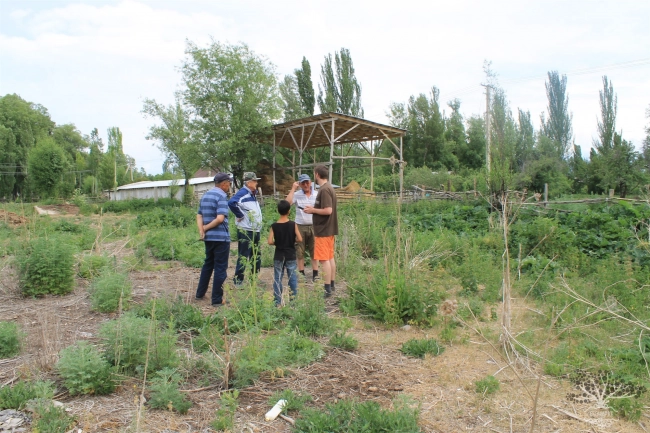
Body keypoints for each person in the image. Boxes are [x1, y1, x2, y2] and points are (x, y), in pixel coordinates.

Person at [195, 173, 232, 306]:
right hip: (221, 238)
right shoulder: (221, 196)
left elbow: (199, 215)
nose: (229, 186)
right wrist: (205, 227)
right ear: (224, 184)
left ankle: (200, 293)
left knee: (208, 264)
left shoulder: (205, 195)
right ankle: (217, 299)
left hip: (209, 238)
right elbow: (220, 218)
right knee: (220, 268)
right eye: (229, 183)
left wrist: (202, 229)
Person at [304, 165, 338, 297]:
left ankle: (327, 288)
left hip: (323, 230)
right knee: (329, 257)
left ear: (317, 174)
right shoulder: (329, 188)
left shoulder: (324, 190)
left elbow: (328, 210)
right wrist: (314, 209)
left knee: (324, 260)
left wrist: (312, 210)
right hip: (329, 229)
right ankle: (332, 284)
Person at [228, 172, 263, 286]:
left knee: (256, 255)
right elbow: (231, 202)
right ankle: (238, 280)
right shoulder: (243, 193)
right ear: (249, 182)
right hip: (246, 230)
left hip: (255, 229)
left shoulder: (252, 194)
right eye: (255, 181)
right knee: (244, 255)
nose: (256, 183)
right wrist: (240, 215)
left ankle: (254, 278)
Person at [268, 200, 303, 306]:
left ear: (278, 211)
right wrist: (292, 240)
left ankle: (277, 302)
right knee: (292, 278)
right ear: (289, 211)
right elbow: (300, 239)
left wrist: (277, 243)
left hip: (279, 255)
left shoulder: (274, 226)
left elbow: (269, 241)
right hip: (290, 254)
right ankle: (293, 302)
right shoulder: (293, 224)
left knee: (278, 278)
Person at [285, 173, 319, 282]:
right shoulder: (297, 194)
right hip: (299, 226)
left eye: (307, 182)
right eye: (303, 183)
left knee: (314, 251)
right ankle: (301, 273)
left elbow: (322, 208)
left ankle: (315, 274)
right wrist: (293, 189)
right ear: (299, 184)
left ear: (310, 182)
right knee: (300, 251)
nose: (305, 185)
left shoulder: (317, 194)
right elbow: (286, 204)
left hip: (314, 226)